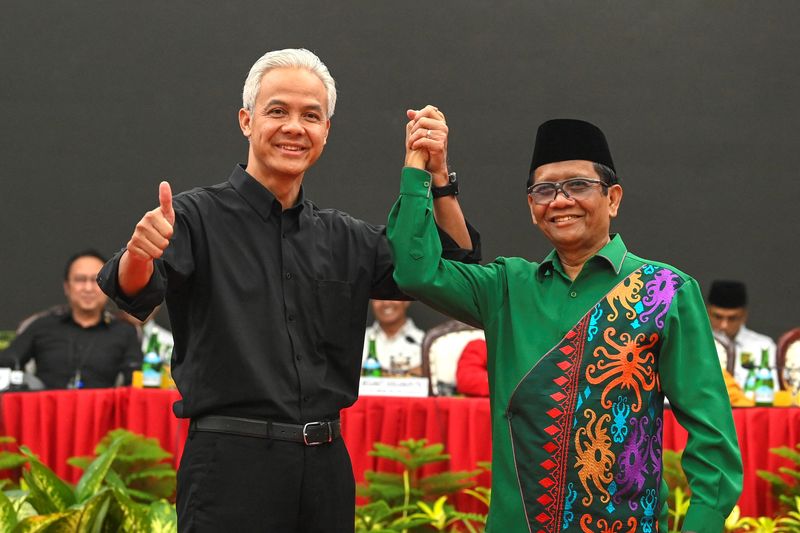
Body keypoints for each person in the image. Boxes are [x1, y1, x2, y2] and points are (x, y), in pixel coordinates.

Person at [96, 48, 478, 532]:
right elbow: (132, 290)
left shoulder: (346, 237)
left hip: (325, 468)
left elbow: (451, 262)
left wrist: (438, 176)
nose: (294, 127)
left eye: (310, 116)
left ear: (326, 132)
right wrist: (140, 253)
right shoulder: (194, 217)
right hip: (229, 467)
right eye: (277, 111)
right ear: (246, 120)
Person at [387, 118, 742, 532]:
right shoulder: (507, 288)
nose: (559, 200)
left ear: (613, 198)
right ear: (532, 208)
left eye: (577, 185)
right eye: (544, 190)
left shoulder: (665, 291)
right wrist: (422, 170)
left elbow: (712, 435)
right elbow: (414, 272)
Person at [0, 250, 141, 389]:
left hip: (101, 410)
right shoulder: (42, 325)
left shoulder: (125, 332)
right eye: (80, 280)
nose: (88, 288)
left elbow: (136, 382)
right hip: (46, 409)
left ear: (108, 286)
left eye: (97, 280)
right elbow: (7, 361)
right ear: (67, 287)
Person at [707, 279, 777, 388]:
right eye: (718, 317)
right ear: (707, 312)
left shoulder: (763, 347)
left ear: (744, 316)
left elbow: (772, 390)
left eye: (732, 318)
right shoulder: (695, 344)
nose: (724, 325)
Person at [362, 299, 424, 374]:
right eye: (379, 297)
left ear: (407, 300)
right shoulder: (357, 340)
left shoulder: (424, 342)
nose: (386, 303)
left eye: (393, 296)